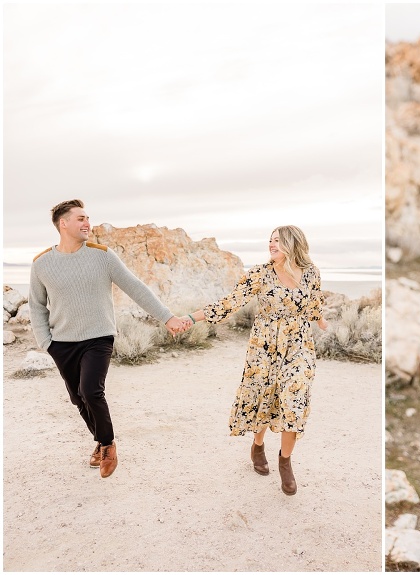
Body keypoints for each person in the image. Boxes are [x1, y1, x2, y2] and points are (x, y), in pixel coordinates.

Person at [29, 199, 191, 479]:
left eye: (87, 217)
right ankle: (99, 440)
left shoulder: (102, 255)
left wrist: (168, 318)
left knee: (91, 390)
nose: (87, 223)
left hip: (98, 337)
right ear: (63, 223)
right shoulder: (42, 264)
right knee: (78, 399)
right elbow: (36, 306)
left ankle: (108, 445)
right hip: (62, 343)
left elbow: (135, 288)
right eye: (80, 218)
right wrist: (47, 343)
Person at [185, 225, 328, 496]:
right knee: (264, 400)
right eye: (270, 240)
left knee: (294, 401)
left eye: (277, 241)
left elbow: (314, 303)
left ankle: (285, 462)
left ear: (292, 243)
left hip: (298, 346)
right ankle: (258, 444)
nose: (271, 245)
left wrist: (321, 320)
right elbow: (229, 303)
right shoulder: (260, 274)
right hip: (264, 347)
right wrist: (192, 318)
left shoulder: (310, 273)